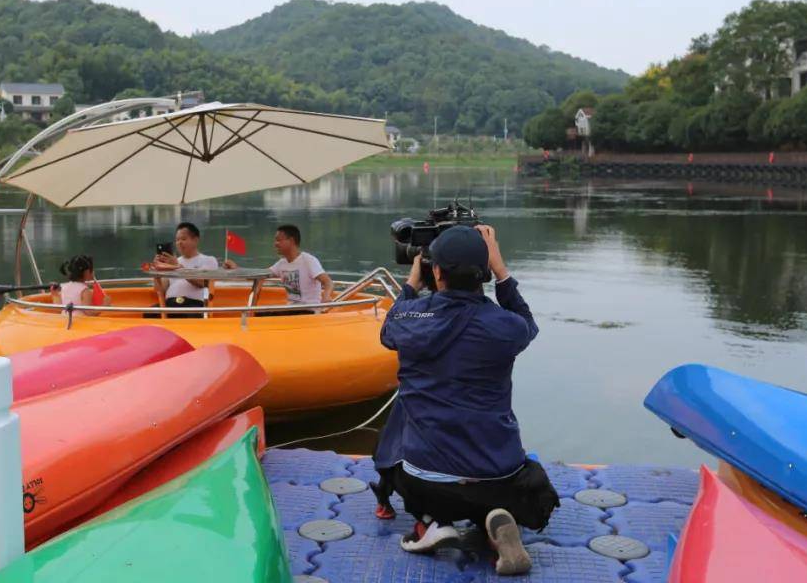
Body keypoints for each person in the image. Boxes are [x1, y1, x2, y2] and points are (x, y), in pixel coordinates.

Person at [372, 224, 558, 574]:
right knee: (502, 479)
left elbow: (388, 330)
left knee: (397, 444)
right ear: (485, 270)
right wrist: (502, 272)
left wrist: (411, 286)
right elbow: (527, 324)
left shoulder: (412, 320)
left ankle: (430, 524)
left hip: (427, 483)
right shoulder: (506, 326)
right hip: (499, 479)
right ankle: (492, 521)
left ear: (435, 270)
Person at [225, 224, 333, 313]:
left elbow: (327, 282)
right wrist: (236, 268)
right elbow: (260, 274)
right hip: (291, 309)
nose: (275, 244)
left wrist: (326, 296)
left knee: (265, 316)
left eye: (278, 240)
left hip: (309, 310)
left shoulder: (308, 260)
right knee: (261, 314)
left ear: (291, 241)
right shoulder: (282, 263)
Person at [151, 222, 220, 317]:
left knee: (189, 315)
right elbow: (160, 289)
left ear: (195, 240)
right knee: (150, 312)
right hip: (170, 305)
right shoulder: (173, 262)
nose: (179, 243)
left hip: (193, 305)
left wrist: (177, 267)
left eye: (183, 239)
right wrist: (157, 271)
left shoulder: (209, 260)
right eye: (177, 240)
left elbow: (203, 282)